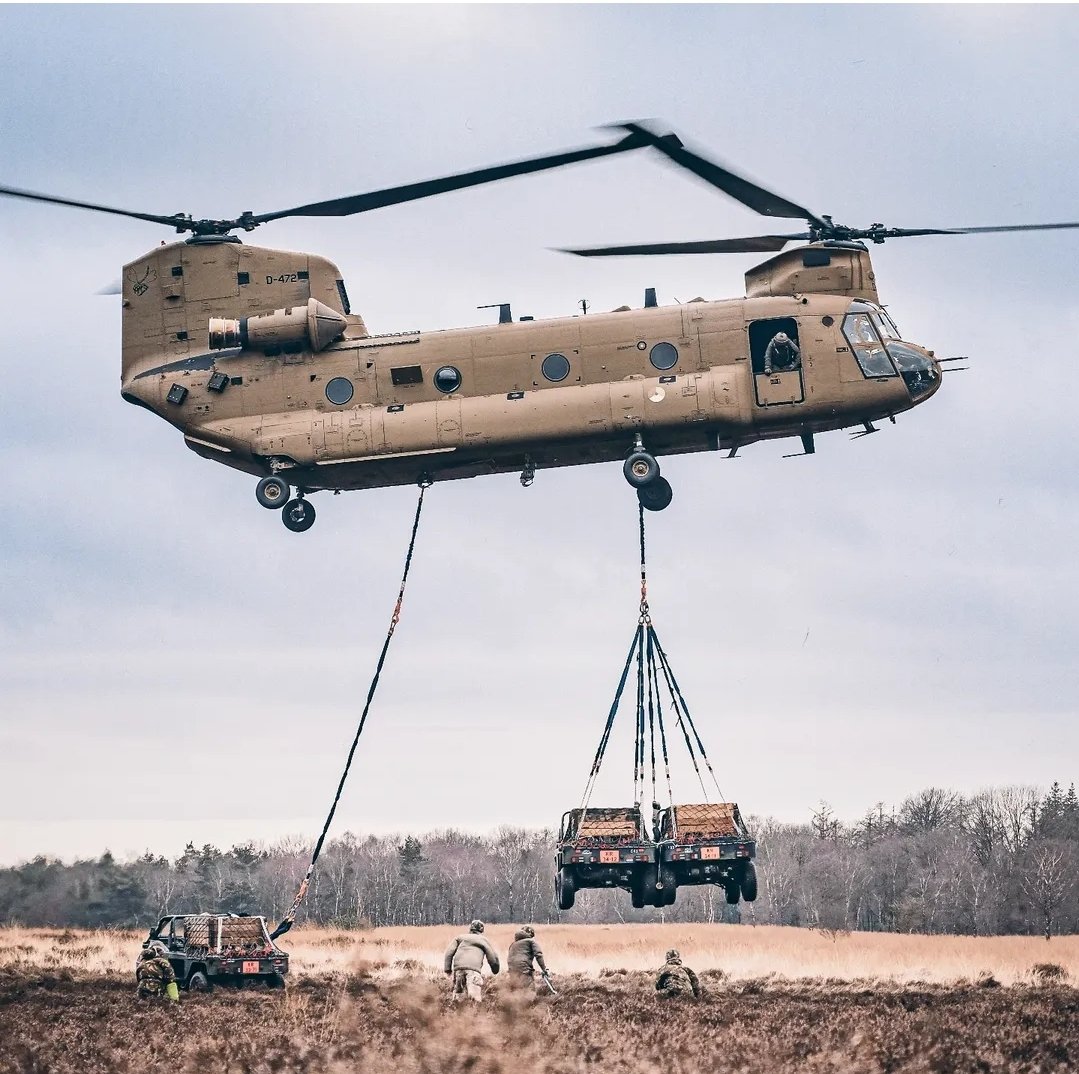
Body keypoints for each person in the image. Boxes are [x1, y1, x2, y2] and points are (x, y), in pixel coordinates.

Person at [443, 919, 500, 1002]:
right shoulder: (483, 940)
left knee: (459, 997)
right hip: (473, 971)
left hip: (458, 969)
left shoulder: (460, 938)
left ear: (470, 929)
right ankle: (474, 1014)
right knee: (474, 998)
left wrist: (447, 969)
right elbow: (493, 957)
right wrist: (495, 969)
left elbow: (449, 953)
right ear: (481, 930)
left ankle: (458, 1013)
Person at [507, 926, 549, 990]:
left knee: (516, 989)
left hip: (511, 969)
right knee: (529, 989)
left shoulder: (513, 944)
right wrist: (544, 969)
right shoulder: (531, 941)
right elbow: (538, 955)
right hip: (524, 967)